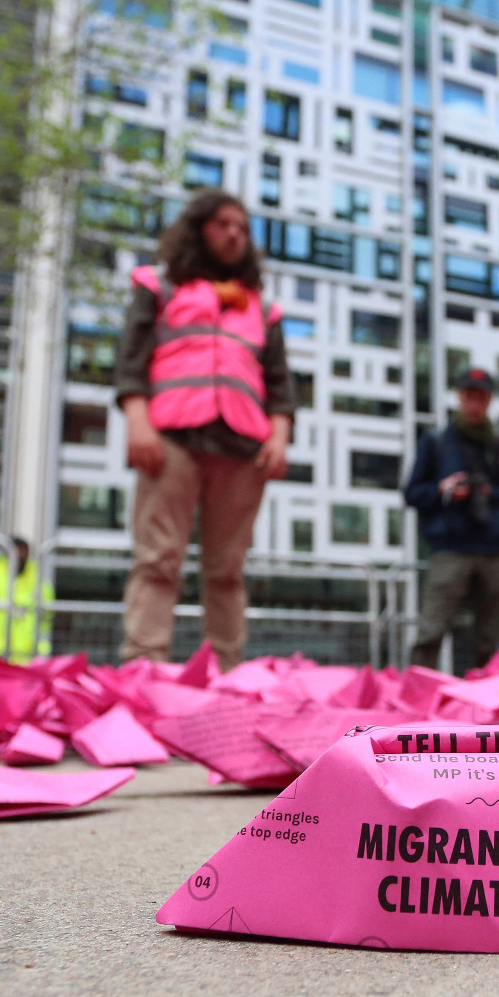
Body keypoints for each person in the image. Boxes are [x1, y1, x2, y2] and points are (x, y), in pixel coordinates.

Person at [116, 190, 295, 670]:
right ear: (198, 229)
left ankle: (228, 671)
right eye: (222, 224)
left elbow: (280, 385)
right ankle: (143, 665)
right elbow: (130, 361)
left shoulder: (262, 309)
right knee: (158, 559)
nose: (234, 233)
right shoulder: (159, 285)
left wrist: (277, 438)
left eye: (242, 227)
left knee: (228, 570)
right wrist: (138, 422)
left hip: (242, 447)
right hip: (170, 439)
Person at [404, 367, 499, 670]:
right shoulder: (436, 442)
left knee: (490, 639)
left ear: (489, 400)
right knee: (431, 630)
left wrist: (491, 492)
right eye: (469, 396)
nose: (475, 404)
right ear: (459, 397)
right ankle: (415, 695)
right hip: (450, 548)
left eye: (482, 397)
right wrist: (444, 490)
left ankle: (486, 702)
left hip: (494, 550)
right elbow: (412, 494)